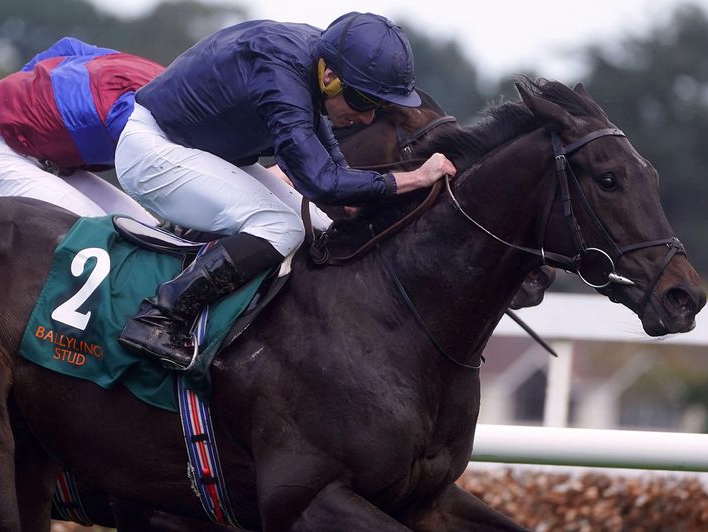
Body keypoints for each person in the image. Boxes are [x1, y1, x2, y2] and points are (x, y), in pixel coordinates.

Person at [115, 12, 458, 369]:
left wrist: (356, 194)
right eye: (362, 101)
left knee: (323, 229)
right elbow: (320, 180)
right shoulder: (280, 72)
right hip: (153, 151)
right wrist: (414, 178)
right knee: (283, 228)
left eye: (378, 106)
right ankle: (159, 316)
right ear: (330, 78)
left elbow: (327, 159)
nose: (368, 118)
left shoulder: (319, 59)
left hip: (205, 152)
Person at [0, 37, 162, 223]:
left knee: (154, 233)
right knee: (110, 242)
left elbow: (68, 46)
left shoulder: (154, 74)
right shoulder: (152, 111)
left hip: (52, 165)